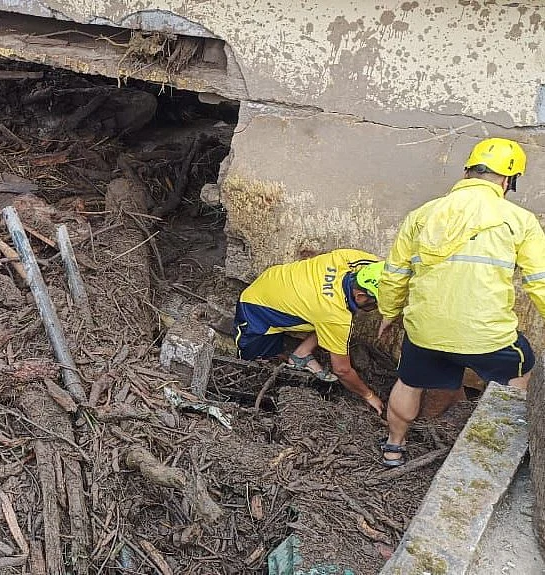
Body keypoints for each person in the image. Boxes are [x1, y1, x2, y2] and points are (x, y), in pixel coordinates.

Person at [377, 137, 545, 467]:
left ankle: (393, 447)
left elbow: (395, 272)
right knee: (523, 371)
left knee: (409, 381)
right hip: (486, 335)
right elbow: (540, 282)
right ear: (509, 180)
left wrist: (388, 311)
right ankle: (501, 451)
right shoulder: (520, 220)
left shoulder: (423, 214)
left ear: (467, 171)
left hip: (426, 331)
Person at [234, 249, 385, 415]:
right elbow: (342, 370)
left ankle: (301, 354)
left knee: (333, 315)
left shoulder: (349, 259)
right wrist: (369, 395)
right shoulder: (335, 316)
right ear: (361, 295)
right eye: (378, 302)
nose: (379, 307)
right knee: (254, 368)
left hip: (275, 281)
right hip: (256, 307)